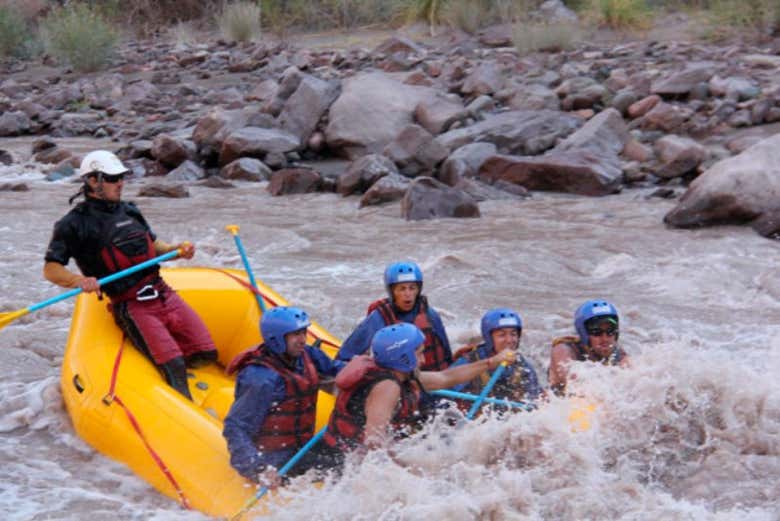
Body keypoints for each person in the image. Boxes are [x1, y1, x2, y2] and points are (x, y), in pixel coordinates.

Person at [43, 150, 216, 400]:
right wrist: (78, 281)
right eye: (113, 179)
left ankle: (184, 376)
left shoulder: (130, 210)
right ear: (93, 181)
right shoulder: (73, 224)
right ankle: (180, 401)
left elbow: (153, 245)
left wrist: (175, 251)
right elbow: (50, 268)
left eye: (121, 177)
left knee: (206, 354)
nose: (120, 183)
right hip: (132, 305)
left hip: (163, 293)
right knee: (174, 366)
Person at [319, 322, 515, 466]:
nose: (423, 359)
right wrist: (406, 471)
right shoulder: (387, 387)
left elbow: (445, 378)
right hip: (342, 461)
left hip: (355, 453)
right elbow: (373, 442)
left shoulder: (402, 374)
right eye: (419, 352)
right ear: (402, 357)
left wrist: (491, 362)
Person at [222, 306, 344, 486]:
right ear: (276, 339)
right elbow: (236, 426)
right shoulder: (260, 378)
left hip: (301, 447)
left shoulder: (307, 355)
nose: (303, 340)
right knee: (336, 467)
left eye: (304, 332)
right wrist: (257, 468)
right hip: (274, 457)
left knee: (347, 455)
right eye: (295, 334)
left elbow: (336, 369)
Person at [337, 261, 452, 371]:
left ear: (418, 290)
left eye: (412, 288)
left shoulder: (431, 315)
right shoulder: (379, 318)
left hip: (436, 381)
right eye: (402, 289)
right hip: (400, 384)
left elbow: (447, 353)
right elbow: (346, 355)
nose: (408, 294)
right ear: (392, 292)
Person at [451, 308, 542, 409]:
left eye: (513, 334)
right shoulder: (469, 362)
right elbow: (444, 396)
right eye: (502, 335)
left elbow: (534, 402)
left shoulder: (523, 366)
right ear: (489, 338)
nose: (509, 340)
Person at [548, 299, 629, 396]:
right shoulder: (563, 349)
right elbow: (573, 380)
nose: (605, 338)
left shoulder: (618, 353)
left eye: (610, 331)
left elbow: (634, 378)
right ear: (584, 333)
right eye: (596, 332)